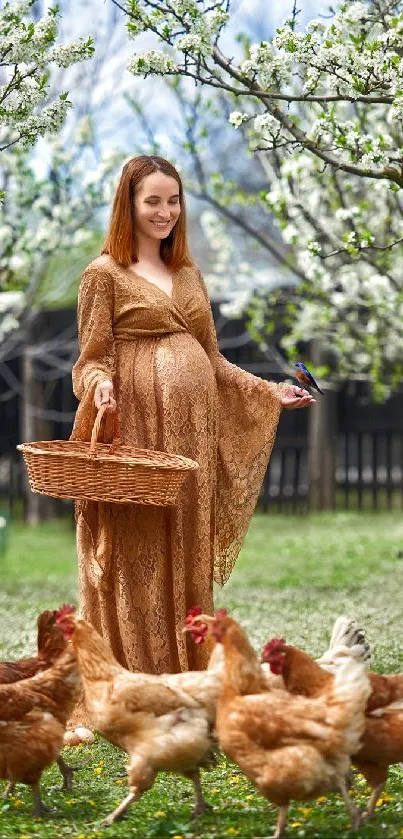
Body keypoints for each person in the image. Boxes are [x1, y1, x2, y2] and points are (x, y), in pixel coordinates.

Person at [66, 155, 315, 743]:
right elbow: (89, 359)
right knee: (137, 550)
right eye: (152, 201)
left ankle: (188, 679)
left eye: (173, 200)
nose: (164, 212)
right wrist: (101, 385)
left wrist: (269, 392)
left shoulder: (189, 273)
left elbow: (213, 359)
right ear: (128, 205)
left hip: (192, 438)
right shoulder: (103, 274)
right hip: (139, 432)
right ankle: (135, 683)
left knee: (184, 547)